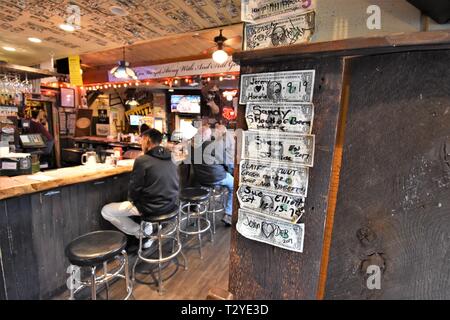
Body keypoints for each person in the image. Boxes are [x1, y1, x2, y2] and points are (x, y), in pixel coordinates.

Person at [102, 129, 179, 248]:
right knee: (147, 197)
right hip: (171, 205)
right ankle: (146, 234)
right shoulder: (172, 158)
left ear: (147, 140)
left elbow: (134, 189)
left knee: (106, 211)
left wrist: (132, 201)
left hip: (150, 208)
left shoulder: (142, 160)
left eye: (141, 140)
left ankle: (141, 234)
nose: (140, 143)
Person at [191, 125, 234, 226]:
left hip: (201, 179)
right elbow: (227, 163)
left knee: (196, 182)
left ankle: (197, 204)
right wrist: (230, 171)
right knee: (234, 186)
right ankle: (228, 214)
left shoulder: (192, 147)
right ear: (208, 135)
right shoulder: (214, 146)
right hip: (217, 177)